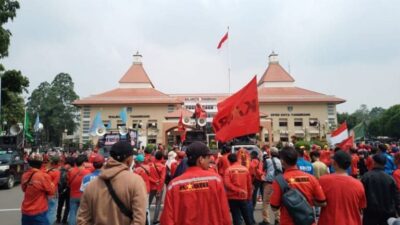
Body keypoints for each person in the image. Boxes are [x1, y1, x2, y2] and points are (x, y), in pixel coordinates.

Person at [160, 141, 232, 225]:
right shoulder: (216, 180)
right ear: (200, 159)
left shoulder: (174, 185)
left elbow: (167, 220)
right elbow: (225, 214)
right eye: (208, 157)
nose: (210, 160)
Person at [77, 141, 147, 225]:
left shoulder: (91, 185)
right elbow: (139, 220)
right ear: (129, 159)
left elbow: (82, 220)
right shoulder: (136, 181)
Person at [270, 146, 326, 225]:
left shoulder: (279, 180)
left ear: (282, 161)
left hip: (288, 222)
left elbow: (274, 206)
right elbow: (322, 201)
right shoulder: (311, 178)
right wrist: (307, 200)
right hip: (308, 221)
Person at [318, 150, 366, 225]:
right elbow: (361, 207)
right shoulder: (358, 184)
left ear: (334, 163)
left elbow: (318, 201)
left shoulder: (323, 180)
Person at [361, 153, 400, 225]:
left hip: (370, 213)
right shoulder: (390, 178)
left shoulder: (366, 177)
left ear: (374, 162)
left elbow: (361, 195)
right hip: (388, 213)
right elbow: (396, 197)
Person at [21, 153, 55, 225]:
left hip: (25, 210)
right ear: (41, 164)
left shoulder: (24, 175)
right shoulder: (43, 176)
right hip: (39, 211)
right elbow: (51, 192)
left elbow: (24, 189)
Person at [224, 153, 253, 225]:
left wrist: (237, 190)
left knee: (236, 218)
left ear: (229, 161)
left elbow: (227, 184)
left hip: (232, 197)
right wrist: (249, 196)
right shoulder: (245, 169)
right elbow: (249, 185)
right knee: (247, 218)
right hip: (244, 197)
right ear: (237, 159)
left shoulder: (228, 170)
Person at [259, 147, 281, 225]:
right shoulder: (280, 161)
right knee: (277, 201)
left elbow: (263, 169)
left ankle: (266, 220)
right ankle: (278, 219)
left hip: (269, 183)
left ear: (270, 153)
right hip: (278, 183)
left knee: (266, 202)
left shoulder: (267, 161)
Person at [67, 154, 91, 225]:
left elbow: (68, 183)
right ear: (84, 163)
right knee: (83, 215)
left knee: (72, 213)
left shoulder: (71, 171)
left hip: (73, 195)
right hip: (83, 196)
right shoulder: (88, 172)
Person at [148, 151, 166, 224]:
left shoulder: (150, 165)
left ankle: (147, 219)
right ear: (162, 158)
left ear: (155, 157)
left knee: (148, 204)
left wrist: (153, 181)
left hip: (151, 187)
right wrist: (159, 189)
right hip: (159, 188)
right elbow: (162, 179)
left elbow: (148, 176)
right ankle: (155, 220)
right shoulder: (163, 167)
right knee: (158, 204)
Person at [57, 157, 74, 224]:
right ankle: (64, 220)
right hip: (68, 188)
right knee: (67, 205)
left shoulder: (60, 169)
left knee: (60, 204)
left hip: (61, 188)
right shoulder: (72, 170)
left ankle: (58, 219)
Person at [46, 153, 61, 225]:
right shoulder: (57, 172)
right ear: (57, 163)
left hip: (45, 193)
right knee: (52, 211)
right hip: (53, 193)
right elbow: (54, 184)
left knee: (46, 210)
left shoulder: (46, 170)